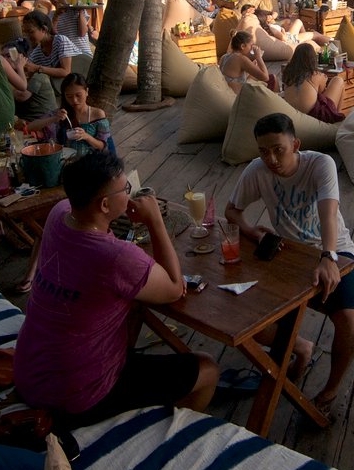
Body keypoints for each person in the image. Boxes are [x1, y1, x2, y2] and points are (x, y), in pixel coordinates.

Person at [13, 150, 218, 417]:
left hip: (29, 372)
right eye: (126, 189)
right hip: (77, 392)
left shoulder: (59, 214)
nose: (130, 193)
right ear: (105, 206)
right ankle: (155, 434)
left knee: (132, 309)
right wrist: (155, 220)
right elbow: (173, 288)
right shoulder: (116, 258)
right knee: (208, 369)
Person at [225, 113, 354, 413]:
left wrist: (328, 257)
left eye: (278, 149)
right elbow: (231, 211)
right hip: (286, 253)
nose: (271, 158)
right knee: (244, 315)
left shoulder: (319, 164)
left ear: (295, 144)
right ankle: (301, 347)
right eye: (263, 151)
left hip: (334, 250)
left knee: (350, 319)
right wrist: (251, 230)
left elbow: (328, 214)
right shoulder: (257, 171)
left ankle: (330, 391)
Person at [282, 43, 346, 123]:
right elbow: (322, 94)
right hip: (314, 116)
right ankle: (337, 119)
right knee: (338, 80)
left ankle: (336, 117)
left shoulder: (288, 74)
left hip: (293, 114)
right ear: (313, 58)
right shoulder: (315, 75)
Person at [18, 10, 75, 83]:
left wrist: (37, 68)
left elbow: (66, 72)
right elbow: (28, 74)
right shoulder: (36, 54)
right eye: (25, 33)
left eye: (31, 32)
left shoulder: (61, 41)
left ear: (44, 29)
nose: (27, 36)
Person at [220, 31, 272, 95]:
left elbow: (236, 76)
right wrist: (259, 57)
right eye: (251, 45)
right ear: (242, 46)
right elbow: (265, 77)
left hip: (225, 94)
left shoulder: (224, 57)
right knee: (273, 79)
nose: (252, 48)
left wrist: (252, 65)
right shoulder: (241, 58)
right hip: (236, 98)